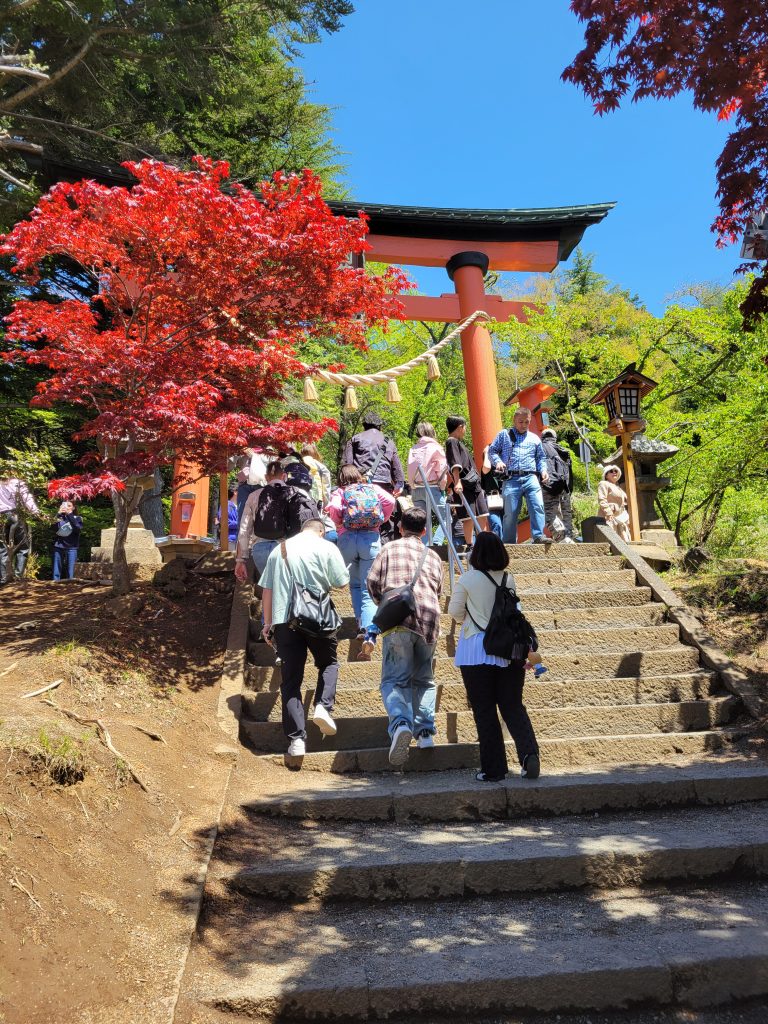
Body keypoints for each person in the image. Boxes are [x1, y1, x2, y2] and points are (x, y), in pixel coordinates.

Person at [447, 532, 540, 782]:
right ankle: (529, 755)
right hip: (507, 649)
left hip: (476, 650)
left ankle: (494, 769)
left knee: (484, 710)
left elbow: (455, 612)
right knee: (513, 706)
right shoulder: (509, 579)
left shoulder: (467, 578)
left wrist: (469, 617)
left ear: (476, 553)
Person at [259, 518, 350, 759]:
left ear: (302, 530)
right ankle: (323, 705)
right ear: (321, 531)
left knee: (290, 681)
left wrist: (267, 625)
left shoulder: (280, 549)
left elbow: (266, 591)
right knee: (328, 663)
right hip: (318, 618)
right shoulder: (327, 547)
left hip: (283, 620)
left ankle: (296, 740)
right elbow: (342, 583)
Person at [366, 506, 443, 767]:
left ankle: (400, 723)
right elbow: (439, 589)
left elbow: (372, 583)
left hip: (398, 622)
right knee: (425, 680)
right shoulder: (432, 555)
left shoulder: (387, 549)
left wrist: (385, 605)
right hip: (430, 622)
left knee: (394, 681)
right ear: (424, 531)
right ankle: (425, 733)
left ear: (400, 527)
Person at [325, 465, 395, 642]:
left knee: (355, 585)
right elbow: (390, 501)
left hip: (347, 538)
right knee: (368, 587)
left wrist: (340, 521)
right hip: (370, 538)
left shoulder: (340, 492)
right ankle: (368, 631)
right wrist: (381, 519)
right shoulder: (372, 488)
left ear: (341, 477)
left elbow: (333, 508)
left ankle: (359, 624)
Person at [234, 459, 317, 583]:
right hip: (286, 548)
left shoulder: (254, 496)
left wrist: (241, 560)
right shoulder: (297, 492)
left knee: (270, 590)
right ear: (284, 476)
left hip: (260, 550)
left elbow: (244, 529)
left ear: (266, 477)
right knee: (287, 592)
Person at [487, 406, 549, 544]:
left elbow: (541, 458)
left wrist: (543, 470)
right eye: (520, 422)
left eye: (527, 422)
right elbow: (492, 451)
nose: (524, 425)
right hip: (511, 479)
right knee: (510, 513)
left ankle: (538, 535)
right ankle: (509, 542)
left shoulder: (534, 438)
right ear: (514, 420)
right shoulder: (504, 435)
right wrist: (498, 462)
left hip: (531, 477)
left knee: (537, 505)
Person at [343, 410, 404, 541]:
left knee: (361, 514)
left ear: (364, 425)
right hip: (383, 484)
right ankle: (384, 548)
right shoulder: (388, 441)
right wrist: (399, 484)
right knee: (386, 520)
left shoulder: (355, 439)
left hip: (361, 484)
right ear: (380, 426)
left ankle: (363, 548)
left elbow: (347, 465)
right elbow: (396, 466)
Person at [445, 414, 490, 547]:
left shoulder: (458, 442)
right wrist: (457, 481)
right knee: (468, 517)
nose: (465, 430)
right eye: (464, 427)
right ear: (460, 427)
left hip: (473, 483)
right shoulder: (451, 441)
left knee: (482, 513)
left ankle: (483, 542)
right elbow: (455, 463)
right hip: (464, 483)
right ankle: (470, 544)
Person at [407, 422, 449, 546]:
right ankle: (436, 542)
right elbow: (441, 469)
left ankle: (424, 545)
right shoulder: (436, 447)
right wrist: (442, 487)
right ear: (432, 432)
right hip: (432, 487)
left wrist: (412, 485)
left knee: (422, 520)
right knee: (446, 517)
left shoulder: (414, 448)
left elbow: (410, 468)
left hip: (416, 488)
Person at [0, 474, 39, 584]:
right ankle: (18, 576)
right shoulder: (17, 482)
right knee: (23, 547)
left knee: (2, 548)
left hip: (0, 517)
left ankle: (3, 578)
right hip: (13, 515)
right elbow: (28, 500)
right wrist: (36, 512)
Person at [540, 427, 575, 542]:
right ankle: (569, 535)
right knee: (566, 513)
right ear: (555, 438)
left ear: (543, 437)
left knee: (550, 513)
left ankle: (561, 536)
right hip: (564, 487)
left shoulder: (541, 448)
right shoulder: (563, 451)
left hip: (549, 485)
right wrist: (569, 488)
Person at [598, 464, 631, 542]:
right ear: (606, 475)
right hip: (609, 516)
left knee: (623, 540)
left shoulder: (618, 487)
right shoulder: (603, 483)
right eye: (611, 471)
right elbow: (602, 499)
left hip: (620, 517)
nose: (614, 472)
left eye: (616, 471)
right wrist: (608, 512)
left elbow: (623, 503)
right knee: (611, 539)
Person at [52, 501, 83, 581]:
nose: (67, 507)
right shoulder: (59, 518)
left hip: (72, 547)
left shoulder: (78, 518)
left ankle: (71, 587)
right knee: (56, 569)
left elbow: (77, 529)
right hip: (58, 546)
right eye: (65, 505)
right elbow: (53, 527)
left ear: (73, 508)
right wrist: (58, 513)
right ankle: (55, 584)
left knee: (71, 571)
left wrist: (69, 515)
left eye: (69, 506)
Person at [481, 445, 504, 540]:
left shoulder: (503, 466)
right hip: (492, 500)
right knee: (496, 524)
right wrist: (486, 453)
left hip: (506, 497)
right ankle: (498, 548)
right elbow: (486, 467)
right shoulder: (486, 468)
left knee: (508, 525)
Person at [301, 443, 332, 510]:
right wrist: (326, 505)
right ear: (315, 452)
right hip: (316, 499)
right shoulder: (320, 466)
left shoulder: (297, 463)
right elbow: (326, 486)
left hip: (299, 497)